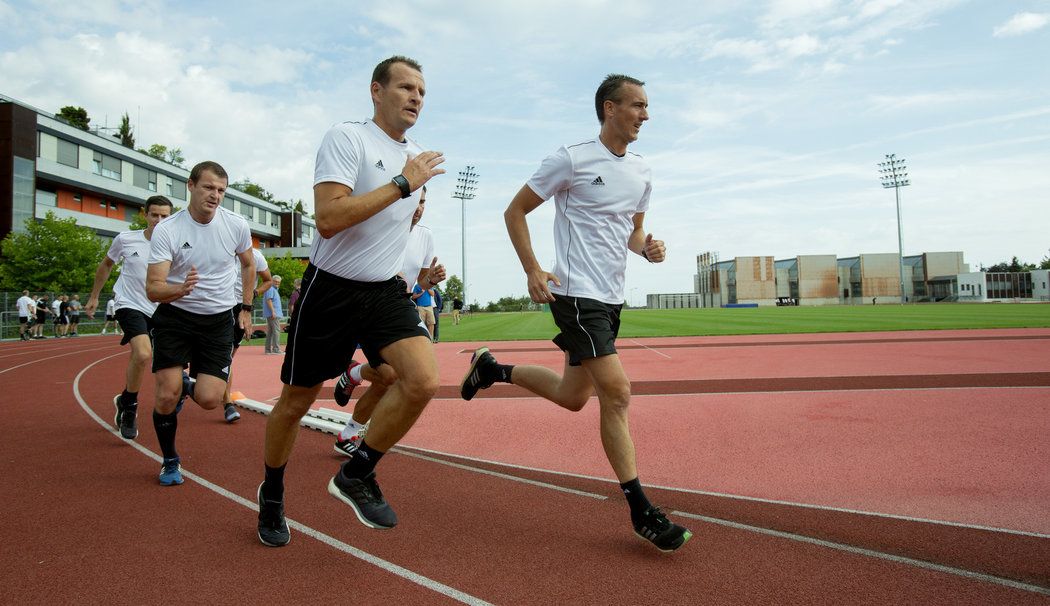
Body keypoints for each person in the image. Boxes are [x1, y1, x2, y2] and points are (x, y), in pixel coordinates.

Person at [461, 74, 692, 553]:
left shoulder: (643, 171)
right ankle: (640, 509)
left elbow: (633, 231)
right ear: (610, 108)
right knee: (618, 392)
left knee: (572, 396)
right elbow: (514, 211)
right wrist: (533, 269)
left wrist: (646, 248)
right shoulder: (572, 158)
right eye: (637, 105)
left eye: (647, 107)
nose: (646, 115)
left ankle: (492, 369)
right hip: (576, 294)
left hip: (610, 298)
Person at [256, 55, 445, 547]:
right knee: (296, 402)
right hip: (332, 287)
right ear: (376, 91)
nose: (415, 98)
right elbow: (329, 218)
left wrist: (413, 205)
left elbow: (398, 221)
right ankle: (272, 493)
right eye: (405, 88)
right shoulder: (347, 138)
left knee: (422, 379)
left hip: (384, 291)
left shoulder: (419, 154)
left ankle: (357, 473)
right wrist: (403, 185)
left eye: (421, 92)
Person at [146, 161, 254, 486]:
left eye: (221, 190)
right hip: (175, 317)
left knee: (210, 400)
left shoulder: (235, 225)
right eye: (208, 187)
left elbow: (248, 265)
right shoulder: (169, 230)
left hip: (218, 321)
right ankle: (169, 460)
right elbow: (153, 288)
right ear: (191, 186)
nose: (215, 195)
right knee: (166, 395)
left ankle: (187, 386)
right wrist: (179, 289)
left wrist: (246, 307)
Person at [330, 185, 444, 456]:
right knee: (388, 375)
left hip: (398, 308)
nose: (419, 208)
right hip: (365, 303)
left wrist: (431, 281)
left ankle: (348, 430)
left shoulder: (425, 236)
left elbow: (420, 283)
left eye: (424, 202)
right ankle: (353, 376)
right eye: (415, 200)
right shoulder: (379, 226)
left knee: (390, 378)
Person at [86, 195, 175, 440]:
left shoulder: (175, 244)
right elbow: (106, 265)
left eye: (165, 216)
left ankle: (124, 399)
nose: (159, 220)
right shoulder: (126, 239)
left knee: (168, 365)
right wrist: (95, 296)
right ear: (144, 214)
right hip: (130, 303)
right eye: (154, 214)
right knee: (144, 353)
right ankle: (131, 409)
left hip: (161, 308)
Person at [221, 247, 273, 423]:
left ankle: (226, 402)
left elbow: (268, 280)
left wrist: (253, 293)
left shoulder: (256, 256)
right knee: (221, 356)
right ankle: (227, 403)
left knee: (228, 357)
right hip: (219, 306)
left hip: (241, 308)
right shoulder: (222, 249)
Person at [263, 274, 283, 354]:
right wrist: (273, 311)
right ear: (272, 281)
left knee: (271, 332)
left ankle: (268, 350)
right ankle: (276, 349)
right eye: (276, 282)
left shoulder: (273, 289)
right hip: (273, 314)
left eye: (278, 282)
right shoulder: (270, 288)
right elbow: (269, 300)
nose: (277, 283)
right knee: (276, 331)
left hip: (273, 313)